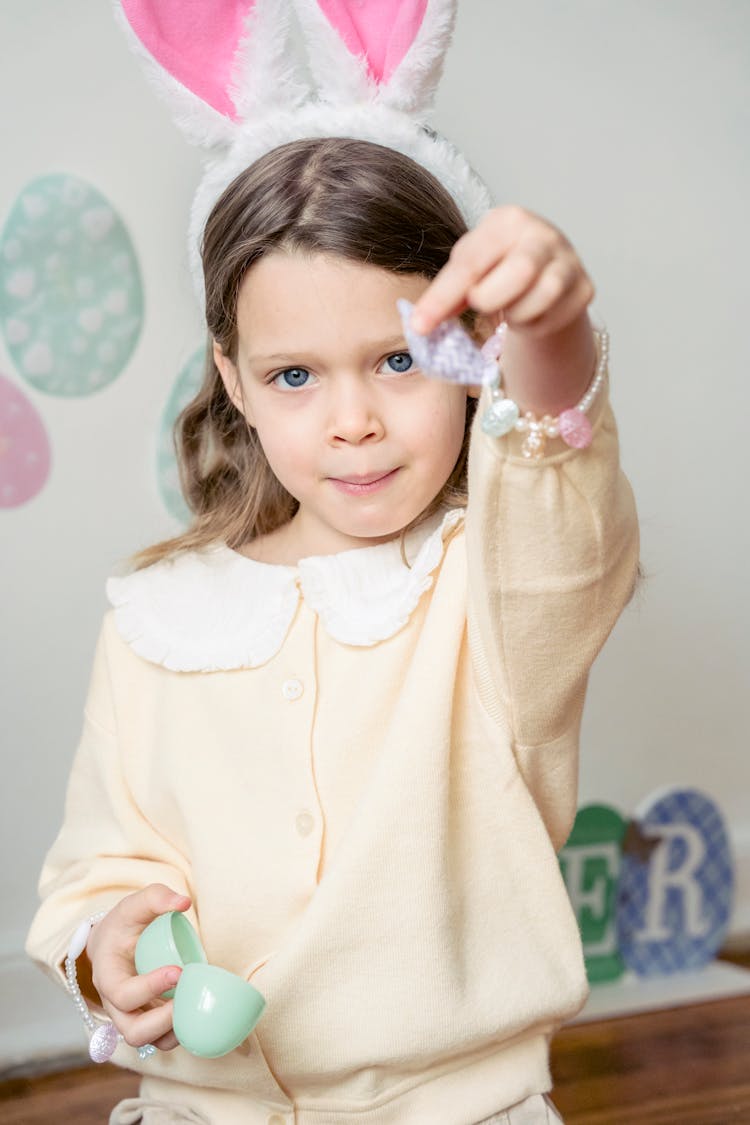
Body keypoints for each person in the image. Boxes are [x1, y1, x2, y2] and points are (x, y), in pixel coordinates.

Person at [26, 5, 639, 1125]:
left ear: (470, 354)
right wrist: (103, 947)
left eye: (397, 358)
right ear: (234, 375)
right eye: (296, 375)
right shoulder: (158, 615)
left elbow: (560, 465)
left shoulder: (495, 583)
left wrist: (555, 325)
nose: (352, 420)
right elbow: (98, 869)